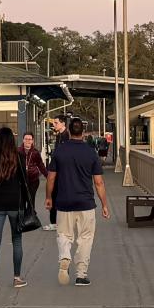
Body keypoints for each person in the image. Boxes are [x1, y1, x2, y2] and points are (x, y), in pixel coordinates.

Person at [45, 116, 109, 286]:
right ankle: (81, 274)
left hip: (64, 202)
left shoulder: (60, 150)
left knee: (63, 234)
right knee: (85, 238)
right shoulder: (91, 153)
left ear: (70, 130)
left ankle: (65, 255)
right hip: (85, 203)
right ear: (83, 132)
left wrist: (49, 197)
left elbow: (51, 178)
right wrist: (104, 205)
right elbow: (99, 182)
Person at [0, 127, 33, 294]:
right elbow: (25, 183)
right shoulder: (18, 157)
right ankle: (17, 278)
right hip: (15, 205)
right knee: (16, 241)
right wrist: (26, 204)